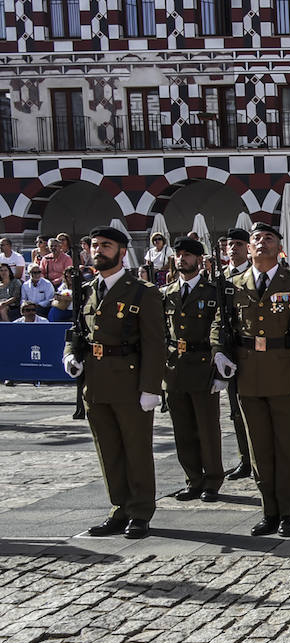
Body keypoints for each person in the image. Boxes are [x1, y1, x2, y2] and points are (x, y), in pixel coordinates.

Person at [212, 221, 290, 538]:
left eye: (268, 238)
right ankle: (268, 511)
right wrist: (219, 353)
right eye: (256, 238)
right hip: (247, 377)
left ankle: (287, 512)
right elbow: (220, 325)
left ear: (279, 247)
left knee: (287, 447)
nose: (261, 243)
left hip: (286, 375)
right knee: (259, 448)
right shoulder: (233, 284)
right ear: (248, 247)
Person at [62, 227, 166, 540]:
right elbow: (76, 331)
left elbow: (155, 343)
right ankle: (119, 508)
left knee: (135, 450)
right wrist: (70, 355)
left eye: (106, 246)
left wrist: (151, 387)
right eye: (94, 245)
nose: (98, 250)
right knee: (108, 450)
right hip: (95, 382)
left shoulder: (141, 291)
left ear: (122, 252)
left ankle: (140, 512)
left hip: (129, 382)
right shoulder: (89, 288)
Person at [161, 236, 224, 503]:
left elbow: (222, 328)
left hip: (202, 364)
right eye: (179, 254)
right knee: (182, 429)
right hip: (175, 367)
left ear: (200, 260)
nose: (182, 259)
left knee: (207, 428)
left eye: (188, 255)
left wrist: (220, 370)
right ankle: (193, 479)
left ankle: (212, 480)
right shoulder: (167, 293)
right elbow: (161, 332)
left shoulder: (213, 292)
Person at [221, 227, 255, 481]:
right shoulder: (219, 278)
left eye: (239, 245)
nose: (233, 249)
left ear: (248, 248)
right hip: (229, 351)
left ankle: (258, 458)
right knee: (235, 409)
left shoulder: (254, 275)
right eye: (230, 245)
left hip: (252, 351)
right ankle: (246, 458)